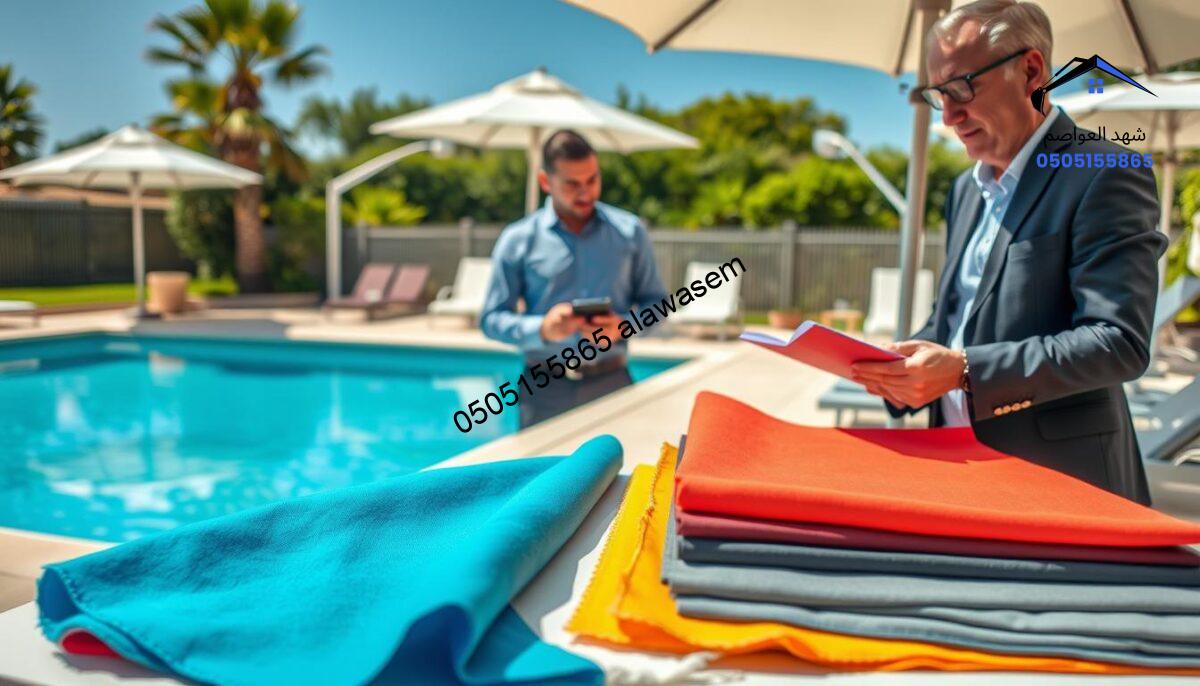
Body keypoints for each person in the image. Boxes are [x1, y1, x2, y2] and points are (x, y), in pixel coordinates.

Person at [851, 0, 1165, 504]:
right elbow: (953, 319)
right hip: (955, 470)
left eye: (960, 87)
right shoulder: (964, 190)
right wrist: (895, 363)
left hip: (1063, 486)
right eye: (938, 95)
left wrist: (964, 369)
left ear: (1032, 71)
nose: (950, 115)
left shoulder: (1105, 173)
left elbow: (1117, 342)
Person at [481, 129, 668, 429]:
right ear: (545, 181)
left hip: (613, 385)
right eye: (572, 183)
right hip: (542, 391)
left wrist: (624, 327)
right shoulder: (516, 240)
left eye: (592, 179)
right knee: (548, 477)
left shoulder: (631, 232)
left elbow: (658, 304)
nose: (585, 192)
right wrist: (541, 328)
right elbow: (490, 319)